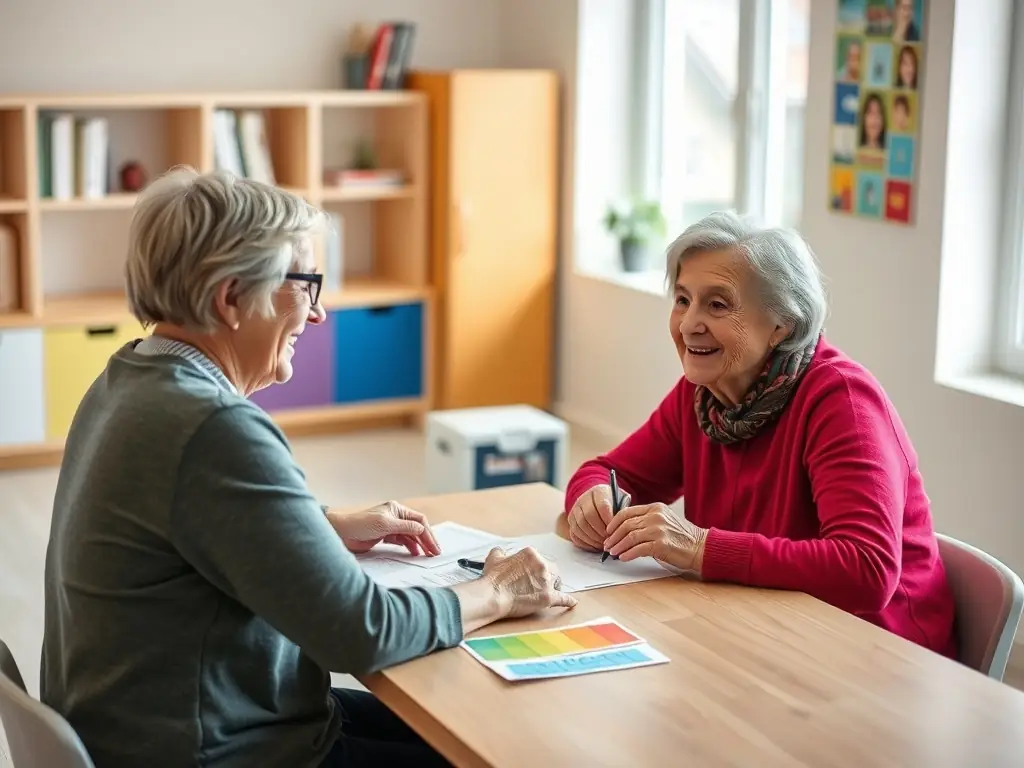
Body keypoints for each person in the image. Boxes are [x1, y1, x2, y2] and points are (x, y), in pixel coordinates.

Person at [40, 167, 577, 768]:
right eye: (305, 285)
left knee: (476, 727)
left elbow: (178, 526)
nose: (319, 315)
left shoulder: (127, 378)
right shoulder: (213, 425)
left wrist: (315, 526)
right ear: (232, 296)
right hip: (218, 748)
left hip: (150, 729)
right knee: (511, 747)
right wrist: (498, 591)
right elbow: (360, 633)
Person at [563, 211, 958, 660]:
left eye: (717, 305)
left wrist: (699, 547)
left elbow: (866, 570)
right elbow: (607, 471)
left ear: (781, 325)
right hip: (765, 629)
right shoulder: (701, 395)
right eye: (682, 299)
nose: (689, 323)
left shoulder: (841, 401)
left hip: (879, 653)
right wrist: (591, 500)